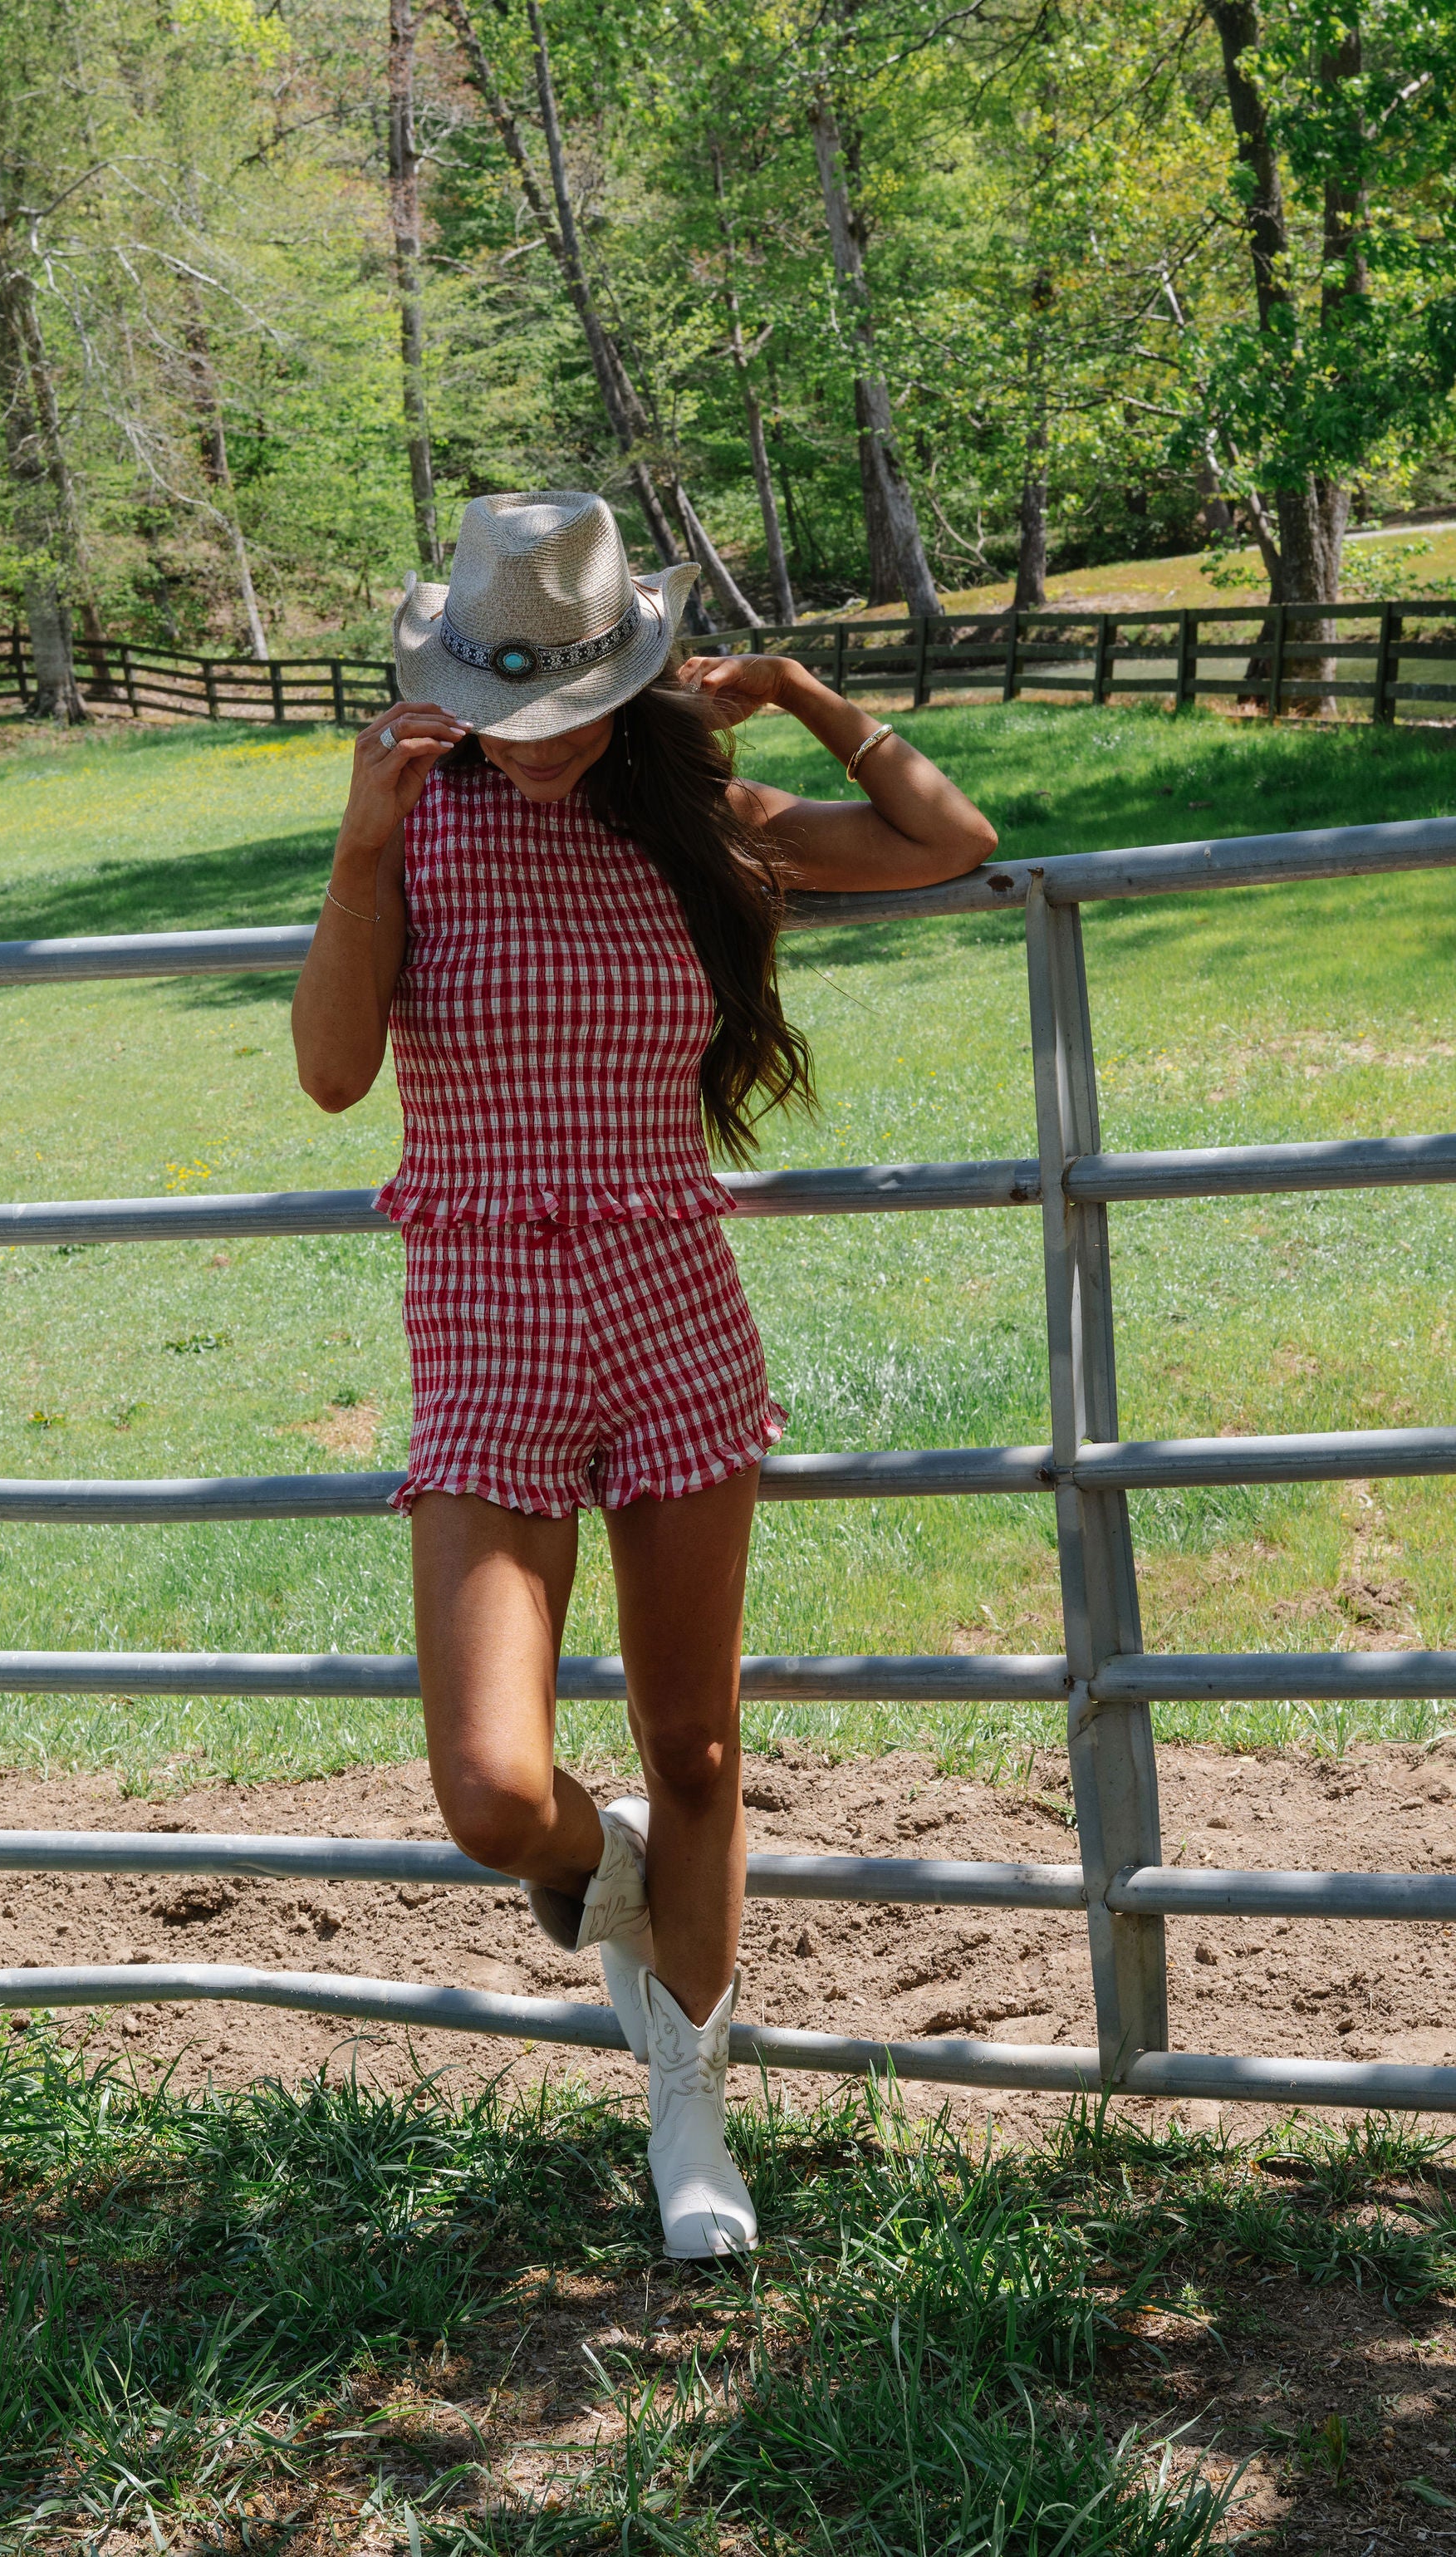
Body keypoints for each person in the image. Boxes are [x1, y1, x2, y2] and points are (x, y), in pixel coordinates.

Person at [292, 490, 995, 2256]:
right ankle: (596, 1871)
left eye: (573, 703)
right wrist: (362, 843)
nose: (535, 739)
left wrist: (807, 693)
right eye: (505, 703)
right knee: (487, 1793)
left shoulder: (700, 824)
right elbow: (330, 1073)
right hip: (484, 1323)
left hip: (675, 1305)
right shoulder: (420, 825)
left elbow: (946, 840)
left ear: (631, 682)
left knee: (695, 1739)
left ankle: (692, 2103)